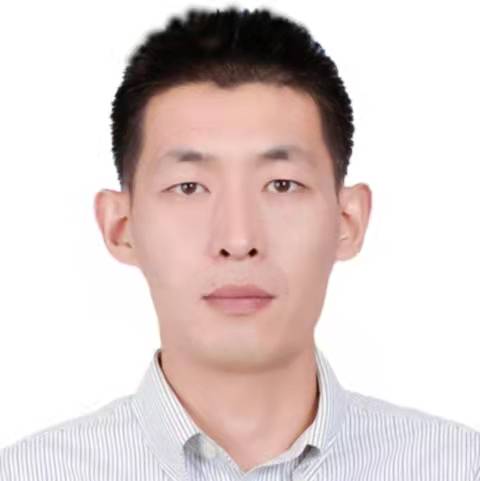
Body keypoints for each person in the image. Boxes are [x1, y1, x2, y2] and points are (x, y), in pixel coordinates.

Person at [1, 6, 479, 481]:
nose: (238, 239)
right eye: (189, 187)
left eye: (282, 185)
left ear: (347, 220)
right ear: (121, 227)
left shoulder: (457, 466)